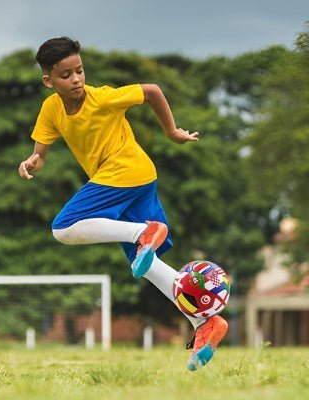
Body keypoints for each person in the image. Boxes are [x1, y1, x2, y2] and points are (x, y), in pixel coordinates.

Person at [18, 36, 227, 370]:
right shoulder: (51, 109)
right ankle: (205, 322)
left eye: (80, 71)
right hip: (139, 180)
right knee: (145, 266)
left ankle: (143, 233)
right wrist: (32, 163)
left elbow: (152, 90)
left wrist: (172, 133)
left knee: (63, 227)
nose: (76, 80)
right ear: (49, 81)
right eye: (66, 75)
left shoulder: (102, 98)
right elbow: (40, 153)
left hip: (126, 172)